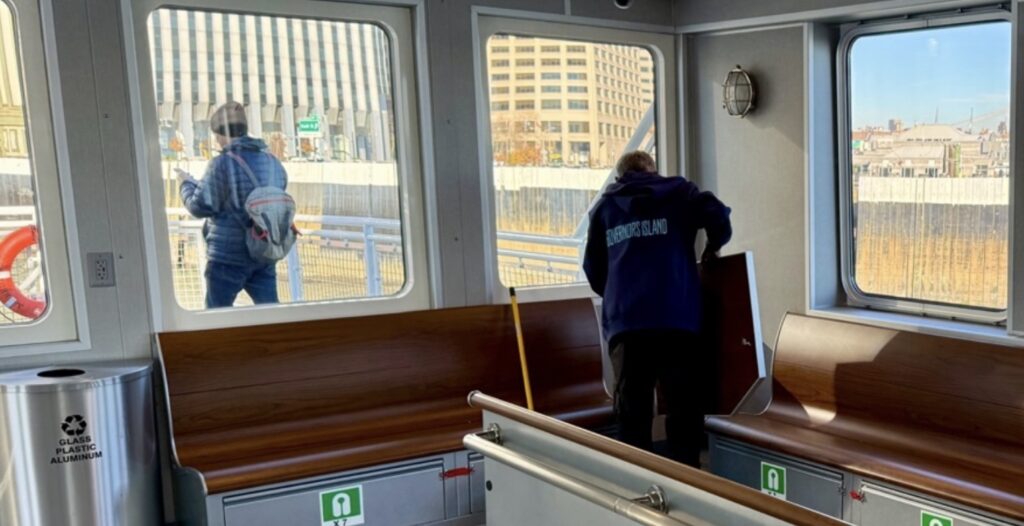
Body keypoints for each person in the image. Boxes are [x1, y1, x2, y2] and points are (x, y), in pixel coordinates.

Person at [583, 151, 732, 468]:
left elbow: (593, 268)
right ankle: (687, 482)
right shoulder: (679, 192)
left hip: (627, 323)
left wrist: (617, 291)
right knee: (683, 408)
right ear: (653, 171)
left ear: (620, 175)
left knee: (632, 412)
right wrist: (712, 246)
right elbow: (718, 215)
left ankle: (637, 486)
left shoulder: (605, 208)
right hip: (677, 317)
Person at [177, 101, 289, 308]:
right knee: (271, 314)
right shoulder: (273, 162)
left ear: (220, 133)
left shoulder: (221, 163)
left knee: (217, 318)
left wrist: (185, 184)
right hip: (264, 251)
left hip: (227, 256)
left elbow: (199, 207)